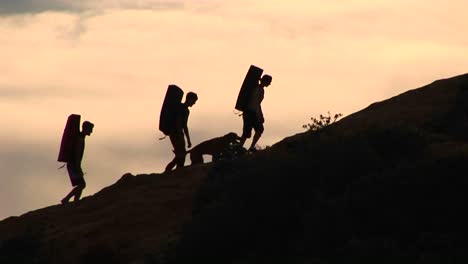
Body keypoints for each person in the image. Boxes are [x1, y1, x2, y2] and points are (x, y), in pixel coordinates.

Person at [61, 121, 94, 204]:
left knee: (81, 184)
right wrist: (78, 166)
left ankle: (76, 201)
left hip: (73, 164)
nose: (91, 131)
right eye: (90, 129)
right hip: (74, 164)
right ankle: (66, 199)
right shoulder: (80, 138)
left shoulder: (80, 137)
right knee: (82, 184)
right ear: (86, 129)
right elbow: (77, 153)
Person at [165, 92, 198, 172]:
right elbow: (179, 123)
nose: (194, 103)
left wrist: (188, 140)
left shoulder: (186, 110)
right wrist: (180, 136)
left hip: (178, 134)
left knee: (181, 156)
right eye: (194, 101)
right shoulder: (181, 108)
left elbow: (185, 126)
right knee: (181, 155)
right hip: (176, 134)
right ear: (189, 99)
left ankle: (176, 171)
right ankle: (168, 171)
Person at [239, 74, 272, 151]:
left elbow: (257, 104)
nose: (269, 84)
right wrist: (260, 115)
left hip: (252, 112)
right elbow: (256, 103)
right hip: (249, 112)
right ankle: (240, 147)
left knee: (259, 129)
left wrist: (260, 115)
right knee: (247, 132)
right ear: (265, 81)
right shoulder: (257, 88)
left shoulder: (259, 89)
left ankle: (250, 147)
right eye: (269, 82)